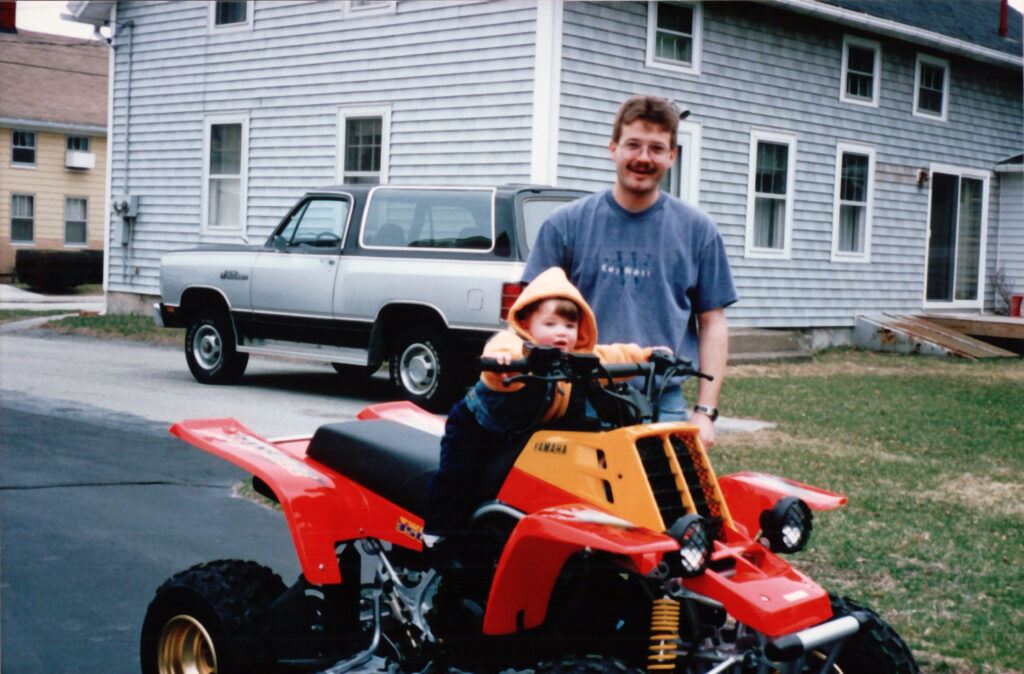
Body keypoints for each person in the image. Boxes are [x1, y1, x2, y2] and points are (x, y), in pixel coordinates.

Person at [523, 94, 737, 449]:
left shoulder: (698, 231)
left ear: (672, 156)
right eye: (633, 145)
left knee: (666, 489)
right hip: (578, 399)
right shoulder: (565, 225)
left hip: (663, 404)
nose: (643, 158)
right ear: (613, 148)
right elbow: (528, 316)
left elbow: (713, 322)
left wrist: (705, 412)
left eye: (656, 148)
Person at [425, 266, 665, 537]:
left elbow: (613, 356)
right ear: (527, 325)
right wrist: (504, 361)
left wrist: (647, 356)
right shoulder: (516, 347)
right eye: (551, 324)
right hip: (477, 430)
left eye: (570, 326)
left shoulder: (575, 357)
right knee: (459, 479)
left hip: (524, 433)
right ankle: (437, 536)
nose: (562, 332)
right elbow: (502, 346)